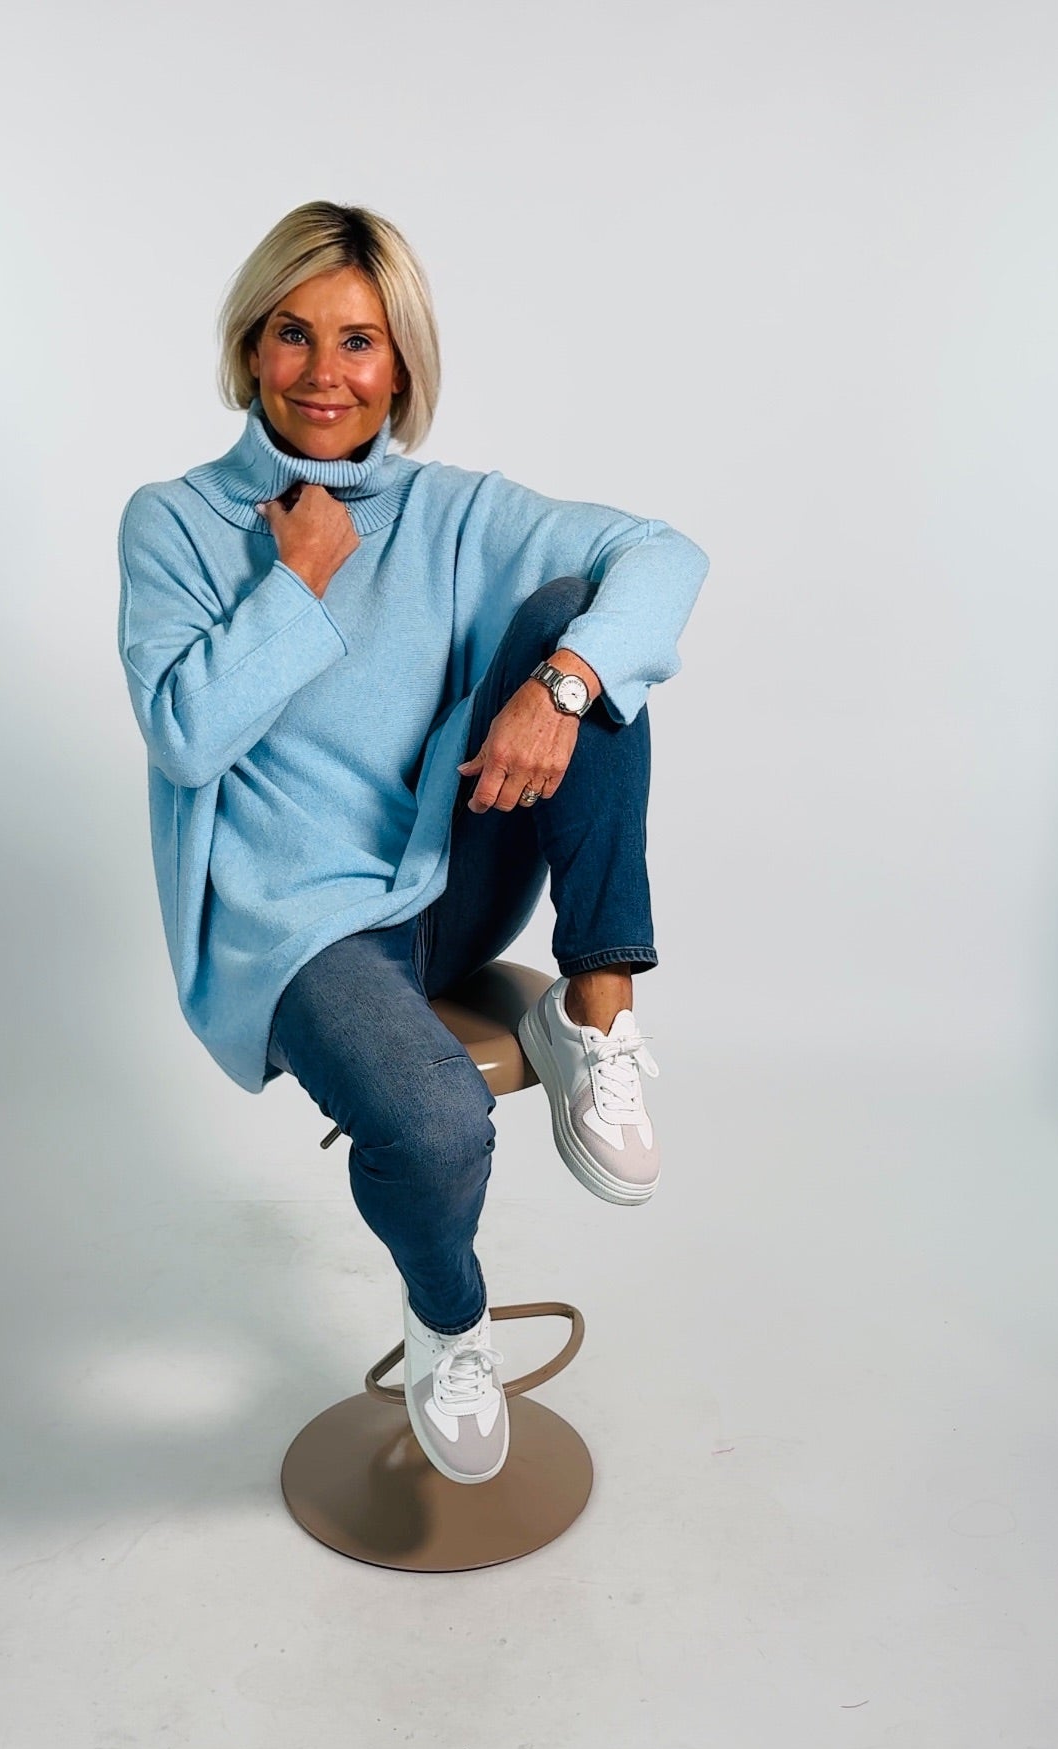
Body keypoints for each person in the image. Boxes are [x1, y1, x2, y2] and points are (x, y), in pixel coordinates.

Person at [116, 200, 709, 1486]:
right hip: (300, 929)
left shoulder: (454, 512)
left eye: (360, 341)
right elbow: (183, 736)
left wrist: (560, 686)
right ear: (251, 347)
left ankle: (596, 1014)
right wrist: (300, 578)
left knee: (584, 627)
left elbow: (666, 556)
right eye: (293, 334)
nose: (324, 374)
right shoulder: (175, 523)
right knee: (438, 1128)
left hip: (450, 880)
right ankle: (449, 1322)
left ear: (401, 366)